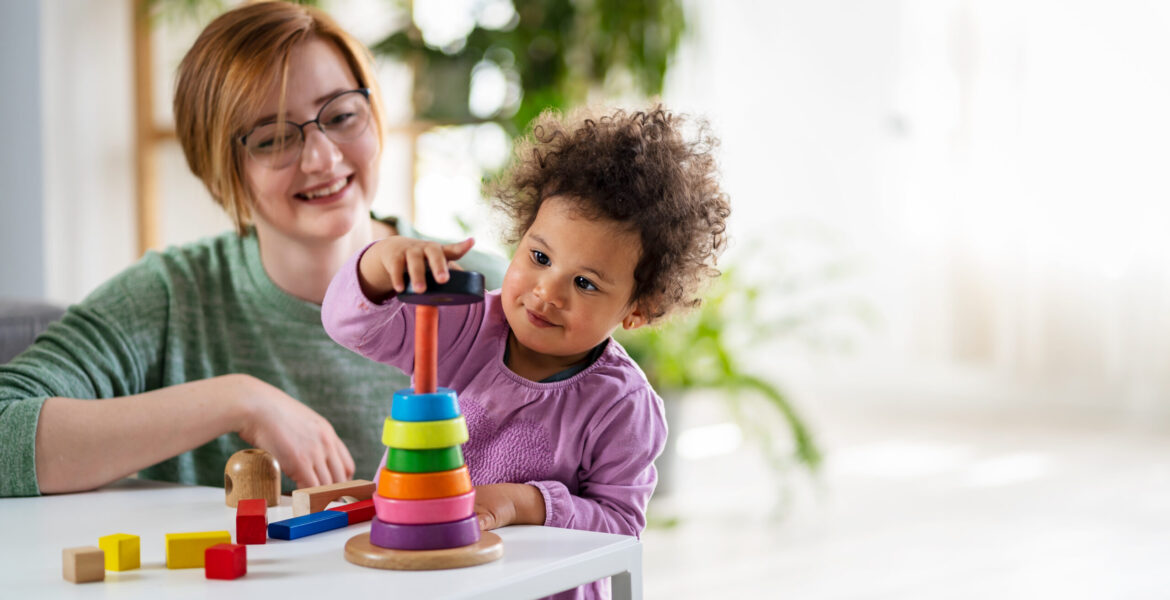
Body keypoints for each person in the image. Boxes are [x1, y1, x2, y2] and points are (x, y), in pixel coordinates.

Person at [0, 1, 502, 498]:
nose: (323, 157)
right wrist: (237, 400)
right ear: (221, 167)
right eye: (273, 138)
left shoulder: (492, 294)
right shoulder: (171, 299)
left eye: (343, 114)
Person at [322, 105, 730, 599]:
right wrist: (378, 267)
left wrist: (528, 504)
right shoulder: (463, 324)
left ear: (637, 310)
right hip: (428, 578)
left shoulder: (623, 405)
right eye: (539, 257)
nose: (546, 293)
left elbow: (620, 527)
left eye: (584, 282)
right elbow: (349, 325)